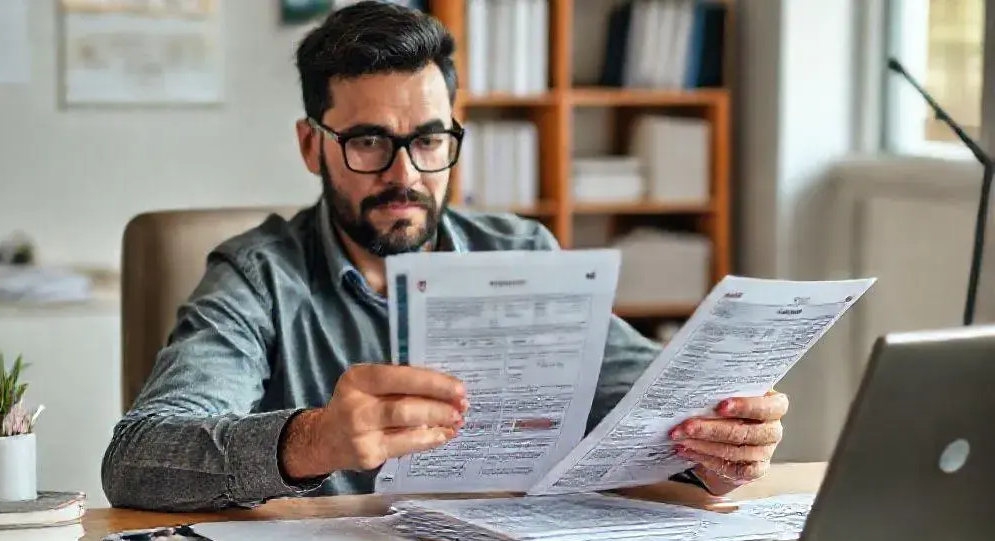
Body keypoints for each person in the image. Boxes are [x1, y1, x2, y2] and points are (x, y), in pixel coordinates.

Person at [101, 0, 788, 512]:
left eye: (429, 141)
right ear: (313, 146)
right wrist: (316, 441)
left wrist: (717, 450)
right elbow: (137, 460)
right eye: (368, 142)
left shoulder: (523, 255)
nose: (404, 175)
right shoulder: (257, 277)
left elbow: (657, 406)